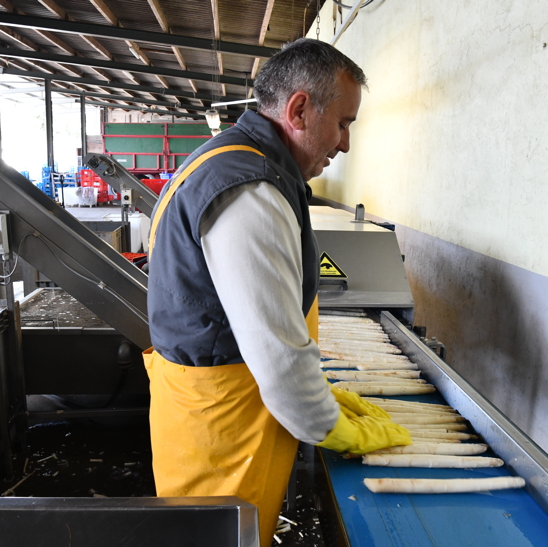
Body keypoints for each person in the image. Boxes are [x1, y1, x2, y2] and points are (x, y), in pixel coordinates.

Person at [144, 38, 411, 545]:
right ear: (300, 109)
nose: (345, 144)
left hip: (218, 412)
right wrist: (330, 424)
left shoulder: (229, 160)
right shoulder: (252, 191)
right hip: (223, 433)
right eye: (344, 123)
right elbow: (278, 355)